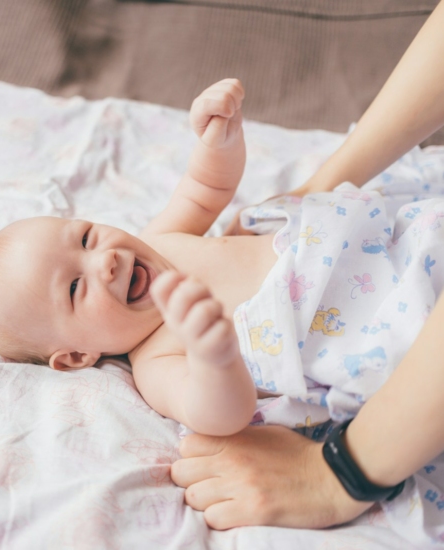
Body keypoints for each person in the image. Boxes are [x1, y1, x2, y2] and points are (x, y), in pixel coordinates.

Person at [169, 0, 444, 530]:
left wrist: (216, 137)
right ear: (74, 354)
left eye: (86, 237)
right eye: (71, 284)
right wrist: (213, 354)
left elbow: (203, 191)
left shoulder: (154, 242)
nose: (103, 262)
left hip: (385, 252)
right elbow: (218, 413)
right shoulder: (153, 350)